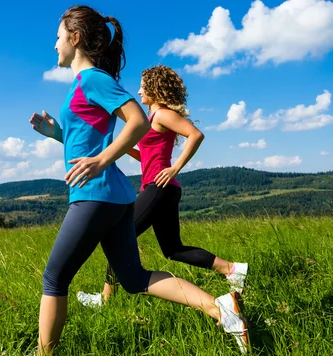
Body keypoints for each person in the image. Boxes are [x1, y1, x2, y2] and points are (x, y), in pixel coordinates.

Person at [29, 5, 249, 356]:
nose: (54, 45)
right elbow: (90, 139)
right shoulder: (84, 84)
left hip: (95, 195)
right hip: (115, 197)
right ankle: (221, 309)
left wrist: (102, 160)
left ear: (75, 37)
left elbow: (137, 121)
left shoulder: (93, 79)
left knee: (54, 278)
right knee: (133, 279)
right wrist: (57, 133)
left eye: (58, 37)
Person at [76, 65, 248, 307]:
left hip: (160, 187)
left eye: (143, 87)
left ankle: (105, 300)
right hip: (162, 189)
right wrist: (121, 148)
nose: (138, 91)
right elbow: (147, 155)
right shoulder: (151, 119)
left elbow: (196, 135)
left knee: (118, 235)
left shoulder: (162, 114)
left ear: (154, 89)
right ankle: (232, 269)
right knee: (173, 249)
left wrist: (175, 167)